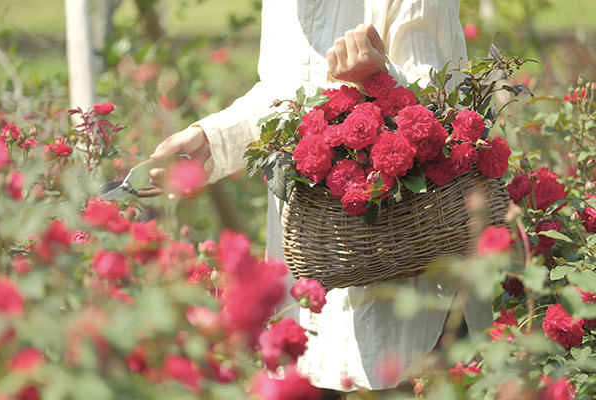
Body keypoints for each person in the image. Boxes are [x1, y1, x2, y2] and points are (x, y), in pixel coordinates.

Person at [149, 0, 491, 392]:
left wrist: (379, 78)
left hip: (405, 303)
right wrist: (212, 139)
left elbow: (444, 121)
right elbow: (280, 92)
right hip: (311, 292)